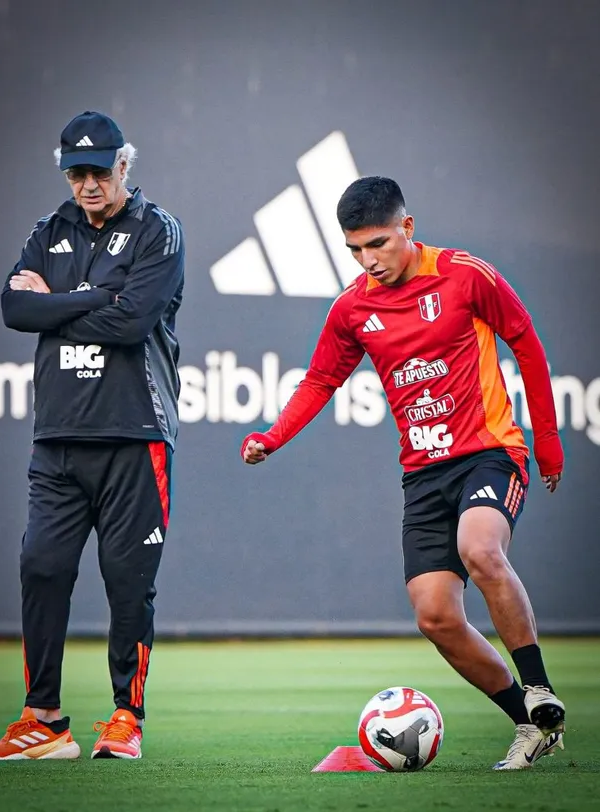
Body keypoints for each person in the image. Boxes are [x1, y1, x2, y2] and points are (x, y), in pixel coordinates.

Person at [241, 176, 565, 770]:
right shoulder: (353, 307)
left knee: (481, 550)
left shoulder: (466, 275)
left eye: (380, 244)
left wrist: (546, 440)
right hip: (423, 474)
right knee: (435, 615)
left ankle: (540, 683)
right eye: (356, 250)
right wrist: (272, 436)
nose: (370, 261)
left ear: (408, 228)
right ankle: (530, 721)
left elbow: (525, 340)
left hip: (489, 452)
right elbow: (319, 381)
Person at [0, 111, 184, 761]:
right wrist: (96, 296)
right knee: (42, 567)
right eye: (76, 172)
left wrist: (56, 303)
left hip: (133, 434)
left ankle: (126, 717)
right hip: (58, 437)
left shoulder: (157, 230)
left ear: (125, 165)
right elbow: (13, 308)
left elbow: (132, 322)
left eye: (99, 170)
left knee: (126, 583)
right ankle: (44, 719)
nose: (88, 184)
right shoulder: (50, 229)